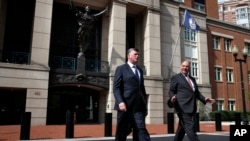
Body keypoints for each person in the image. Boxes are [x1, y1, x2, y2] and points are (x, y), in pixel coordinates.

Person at [168, 60, 215, 141]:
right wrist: (172, 97)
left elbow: (196, 92)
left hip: (191, 107)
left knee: (182, 129)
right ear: (180, 66)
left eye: (186, 66)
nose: (185, 68)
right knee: (190, 127)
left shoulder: (192, 79)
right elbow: (171, 91)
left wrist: (204, 99)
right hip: (182, 107)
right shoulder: (176, 78)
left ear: (189, 67)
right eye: (183, 66)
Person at [113, 48, 151, 141]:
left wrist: (144, 104)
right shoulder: (121, 69)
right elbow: (116, 87)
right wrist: (120, 102)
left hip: (138, 107)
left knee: (140, 130)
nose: (137, 56)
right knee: (122, 132)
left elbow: (141, 89)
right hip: (125, 107)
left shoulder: (140, 70)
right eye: (135, 54)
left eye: (138, 54)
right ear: (129, 56)